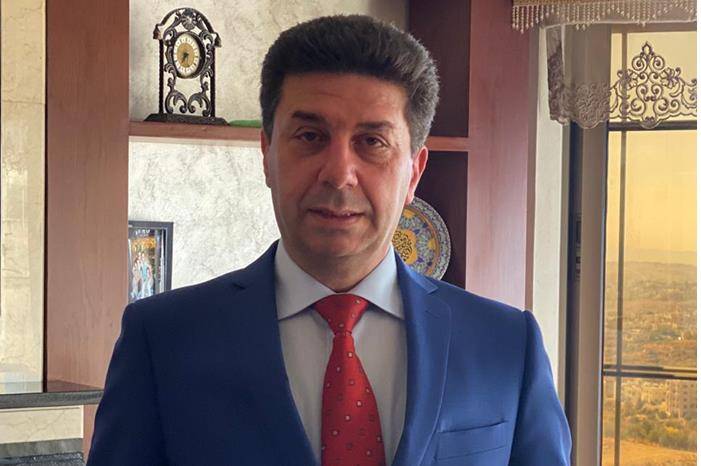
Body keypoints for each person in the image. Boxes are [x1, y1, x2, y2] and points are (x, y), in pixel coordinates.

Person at [88, 14, 571, 466]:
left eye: (372, 142)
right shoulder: (164, 340)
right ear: (267, 153)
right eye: (310, 136)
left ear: (414, 172)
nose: (339, 174)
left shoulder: (507, 345)